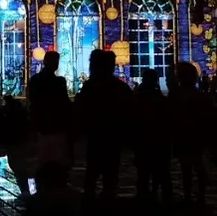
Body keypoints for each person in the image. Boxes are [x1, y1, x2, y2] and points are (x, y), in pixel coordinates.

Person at [76, 49, 132, 200]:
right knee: (110, 173)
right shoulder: (120, 87)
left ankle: (90, 202)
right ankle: (108, 201)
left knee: (92, 173)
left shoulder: (90, 86)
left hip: (96, 135)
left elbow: (82, 110)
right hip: (113, 135)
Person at [170, 62, 210, 203]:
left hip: (185, 132)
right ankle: (199, 193)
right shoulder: (196, 94)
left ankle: (190, 194)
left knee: (187, 167)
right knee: (194, 164)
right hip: (192, 132)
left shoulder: (178, 94)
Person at [131, 69, 171, 200]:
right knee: (162, 172)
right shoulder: (160, 98)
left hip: (143, 139)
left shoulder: (138, 97)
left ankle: (144, 196)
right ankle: (161, 195)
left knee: (143, 172)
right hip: (158, 140)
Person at [29, 50, 71, 167]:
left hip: (42, 123)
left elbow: (33, 100)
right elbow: (64, 103)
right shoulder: (59, 82)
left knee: (44, 156)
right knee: (57, 156)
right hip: (56, 123)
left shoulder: (36, 79)